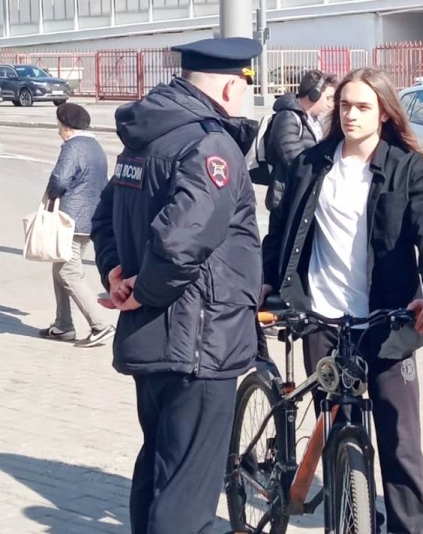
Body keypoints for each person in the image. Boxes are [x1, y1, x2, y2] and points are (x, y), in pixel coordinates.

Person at [90, 37, 264, 534]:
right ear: (231, 87)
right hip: (199, 343)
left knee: (158, 472)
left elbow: (104, 217)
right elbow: (182, 239)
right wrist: (143, 289)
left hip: (156, 338)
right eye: (246, 86)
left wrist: (115, 274)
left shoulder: (147, 136)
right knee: (186, 495)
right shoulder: (209, 144)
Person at [262, 67, 423, 534]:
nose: (351, 115)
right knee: (335, 427)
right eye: (344, 105)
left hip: (387, 321)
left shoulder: (407, 168)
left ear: (384, 113)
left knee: (401, 441)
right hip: (321, 317)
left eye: (363, 107)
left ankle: (407, 528)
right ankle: (351, 517)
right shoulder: (311, 163)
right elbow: (280, 229)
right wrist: (268, 284)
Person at [39, 103, 116, 348]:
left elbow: (59, 179)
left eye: (59, 126)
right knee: (59, 268)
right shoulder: (94, 145)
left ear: (66, 126)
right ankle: (63, 325)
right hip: (91, 218)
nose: (58, 130)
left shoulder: (73, 146)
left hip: (70, 220)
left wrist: (51, 194)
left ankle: (100, 325)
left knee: (68, 272)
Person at [252, 69, 337, 208]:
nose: (331, 104)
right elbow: (293, 158)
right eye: (328, 98)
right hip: (285, 197)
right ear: (314, 94)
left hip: (303, 192)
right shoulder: (287, 117)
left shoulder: (314, 121)